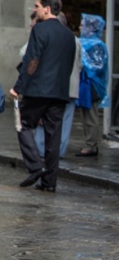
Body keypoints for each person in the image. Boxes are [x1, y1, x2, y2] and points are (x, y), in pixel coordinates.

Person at [10, 0, 76, 192]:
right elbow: (68, 64)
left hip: (38, 89)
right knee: (53, 136)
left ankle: (35, 166)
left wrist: (18, 87)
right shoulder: (68, 34)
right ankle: (49, 182)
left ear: (47, 8)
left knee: (23, 124)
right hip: (59, 92)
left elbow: (32, 59)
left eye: (37, 5)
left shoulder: (40, 29)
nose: (34, 9)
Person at [33, 12, 81, 160]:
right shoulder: (75, 40)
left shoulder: (52, 37)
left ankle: (41, 148)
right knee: (64, 122)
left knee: (46, 118)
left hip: (55, 86)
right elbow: (79, 64)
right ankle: (58, 150)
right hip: (71, 87)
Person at [75, 13, 109, 157]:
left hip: (91, 84)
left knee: (90, 115)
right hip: (84, 82)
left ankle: (91, 144)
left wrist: (83, 64)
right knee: (84, 115)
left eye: (83, 25)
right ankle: (89, 142)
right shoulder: (84, 42)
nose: (80, 27)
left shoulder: (97, 44)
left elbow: (98, 66)